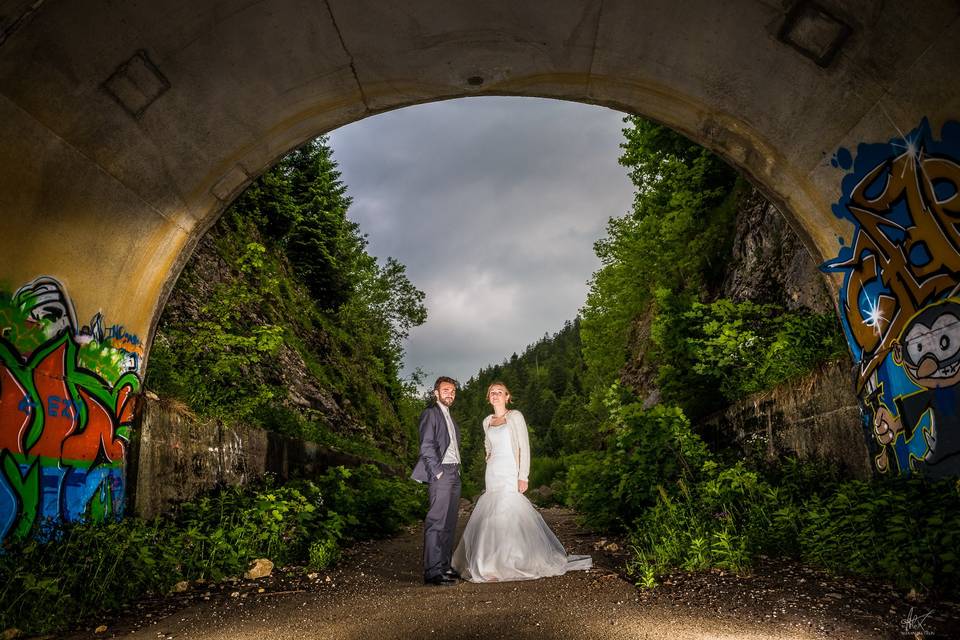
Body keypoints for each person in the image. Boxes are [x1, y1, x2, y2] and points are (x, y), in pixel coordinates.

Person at [451, 382, 591, 582]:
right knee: (492, 514)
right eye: (492, 393)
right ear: (488, 397)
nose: (496, 395)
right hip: (492, 472)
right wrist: (488, 454)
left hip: (510, 470)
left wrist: (522, 475)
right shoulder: (487, 420)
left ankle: (512, 560)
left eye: (500, 392)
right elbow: (487, 442)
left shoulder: (515, 416)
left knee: (507, 512)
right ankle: (489, 563)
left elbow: (524, 447)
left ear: (508, 397)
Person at [410, 376, 462, 586]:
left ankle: (444, 567)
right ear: (436, 393)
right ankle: (432, 572)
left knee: (449, 523)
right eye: (446, 390)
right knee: (436, 522)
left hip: (455, 473)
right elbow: (426, 445)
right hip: (442, 473)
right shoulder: (430, 414)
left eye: (453, 391)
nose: (450, 393)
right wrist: (437, 472)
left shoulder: (451, 419)